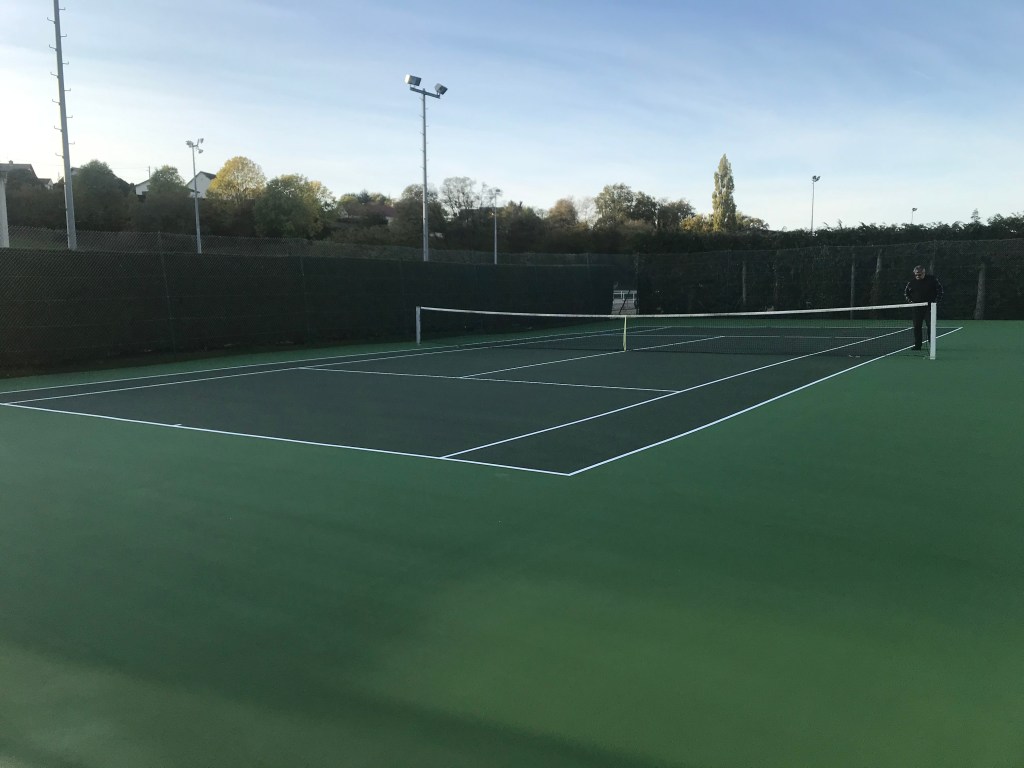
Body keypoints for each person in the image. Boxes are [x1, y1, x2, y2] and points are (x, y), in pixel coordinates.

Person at [904, 265, 943, 350]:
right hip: (917, 308)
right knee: (917, 326)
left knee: (930, 326)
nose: (918, 276)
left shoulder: (932, 280)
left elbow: (940, 290)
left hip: (929, 308)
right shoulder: (911, 283)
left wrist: (936, 301)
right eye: (916, 274)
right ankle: (917, 345)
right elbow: (906, 293)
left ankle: (932, 345)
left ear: (924, 273)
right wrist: (911, 302)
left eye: (920, 274)